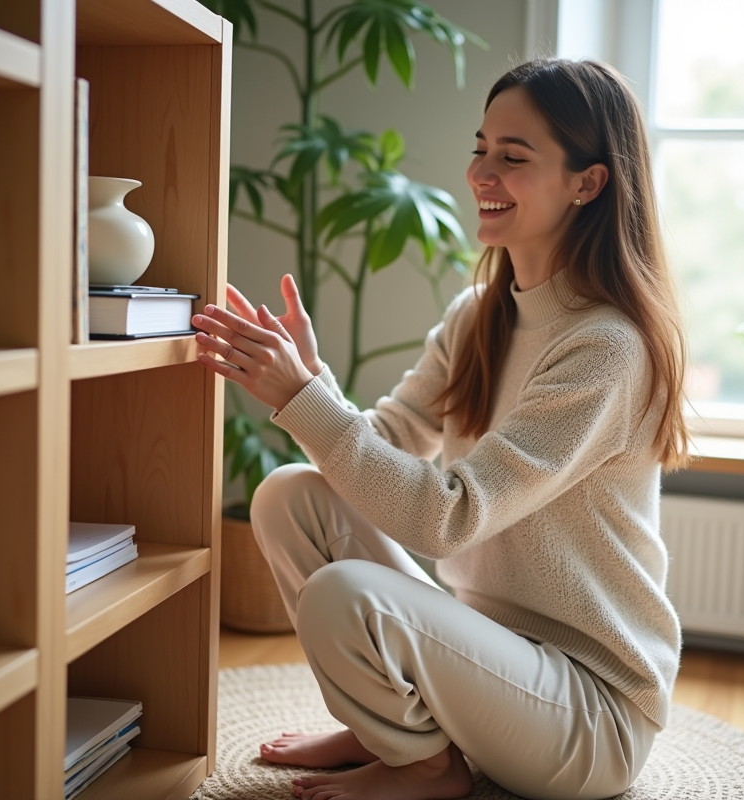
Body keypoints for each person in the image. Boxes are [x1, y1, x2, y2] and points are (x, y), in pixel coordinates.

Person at [193, 57, 689, 800]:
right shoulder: (478, 315)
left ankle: (426, 765)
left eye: (513, 158)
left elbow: (446, 517)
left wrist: (303, 399)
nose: (481, 173)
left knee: (346, 595)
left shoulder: (605, 348)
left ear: (587, 183)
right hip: (493, 661)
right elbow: (385, 443)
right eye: (480, 148)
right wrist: (313, 382)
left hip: (589, 716)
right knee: (287, 495)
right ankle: (393, 732)